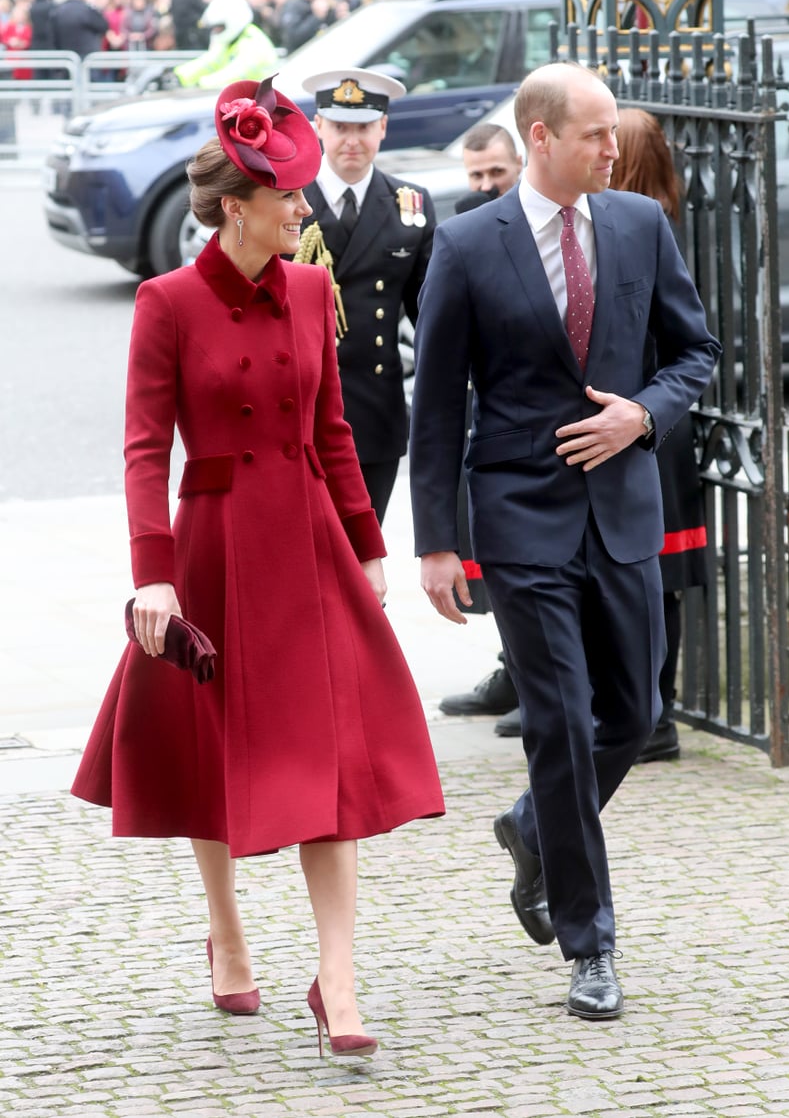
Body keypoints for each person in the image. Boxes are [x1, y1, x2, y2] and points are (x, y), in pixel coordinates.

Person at [71, 75, 445, 1055]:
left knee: (328, 761)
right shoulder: (166, 302)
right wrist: (152, 574)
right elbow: (145, 448)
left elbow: (331, 431)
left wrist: (367, 547)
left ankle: (340, 980)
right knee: (214, 748)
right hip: (211, 548)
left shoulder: (315, 289)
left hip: (310, 541)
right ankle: (228, 933)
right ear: (236, 206)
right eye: (283, 195)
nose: (299, 206)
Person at [409, 62, 719, 1019]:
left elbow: (695, 353)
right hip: (520, 517)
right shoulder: (465, 245)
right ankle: (591, 945)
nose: (611, 148)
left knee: (630, 714)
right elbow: (439, 403)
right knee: (559, 723)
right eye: (593, 133)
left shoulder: (639, 224)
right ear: (539, 137)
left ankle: (531, 827)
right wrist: (437, 542)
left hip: (623, 508)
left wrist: (643, 415)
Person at [609, 107, 709, 763]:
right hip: (658, 419)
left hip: (648, 419)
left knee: (652, 574)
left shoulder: (644, 230)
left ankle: (656, 714)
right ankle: (650, 711)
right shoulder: (644, 223)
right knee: (647, 576)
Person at [296, 67, 436, 523]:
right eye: (339, 127)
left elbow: (430, 314)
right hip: (300, 404)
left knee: (363, 554)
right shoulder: (285, 200)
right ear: (317, 126)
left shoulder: (409, 205)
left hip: (375, 410)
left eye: (362, 127)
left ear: (382, 128)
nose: (350, 140)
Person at [439, 122, 525, 734]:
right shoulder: (462, 228)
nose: (487, 185)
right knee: (489, 557)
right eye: (476, 176)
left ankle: (535, 683)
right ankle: (514, 671)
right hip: (480, 417)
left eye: (497, 172)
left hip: (537, 419)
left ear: (521, 162)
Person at [174, 0, 277, 90]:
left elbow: (236, 72)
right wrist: (177, 75)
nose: (215, 31)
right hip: (246, 101)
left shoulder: (254, 42)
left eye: (219, 27)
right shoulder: (231, 42)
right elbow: (209, 62)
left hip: (262, 104)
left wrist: (201, 84)